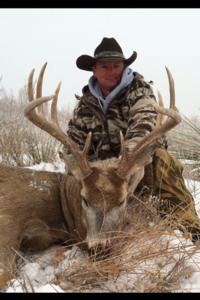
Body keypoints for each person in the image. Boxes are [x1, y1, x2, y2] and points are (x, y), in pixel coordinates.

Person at [65, 37, 200, 242]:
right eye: (105, 66)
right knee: (71, 182)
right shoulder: (86, 104)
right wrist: (76, 163)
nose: (111, 71)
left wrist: (127, 161)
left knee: (162, 159)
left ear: (124, 66)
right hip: (100, 175)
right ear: (94, 69)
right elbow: (72, 141)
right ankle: (79, 232)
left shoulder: (139, 90)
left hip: (134, 167)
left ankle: (190, 231)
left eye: (116, 66)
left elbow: (144, 122)